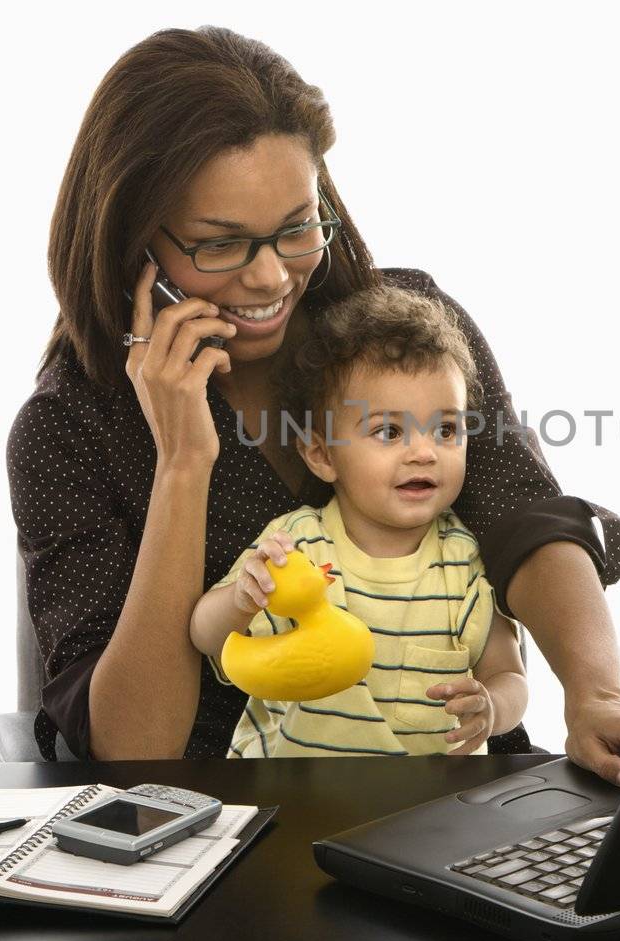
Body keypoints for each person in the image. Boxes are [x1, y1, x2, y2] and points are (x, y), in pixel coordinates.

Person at [6, 25, 620, 786]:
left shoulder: (404, 328)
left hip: (458, 801)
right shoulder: (66, 430)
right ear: (131, 239)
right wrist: (182, 466)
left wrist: (596, 693)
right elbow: (132, 745)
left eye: (296, 228)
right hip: (233, 828)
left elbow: (527, 515)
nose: (271, 277)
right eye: (221, 244)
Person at [189, 285, 529, 758]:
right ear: (323, 455)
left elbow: (509, 673)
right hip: (291, 795)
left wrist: (494, 706)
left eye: (447, 429)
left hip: (427, 806)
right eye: (389, 432)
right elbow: (205, 636)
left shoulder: (466, 557)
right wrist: (242, 599)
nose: (424, 452)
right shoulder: (296, 545)